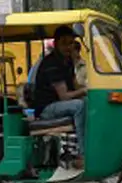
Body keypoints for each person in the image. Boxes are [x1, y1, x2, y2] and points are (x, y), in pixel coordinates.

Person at [32, 25, 87, 170]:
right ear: (56, 43)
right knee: (80, 106)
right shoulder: (52, 64)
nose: (68, 47)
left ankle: (86, 146)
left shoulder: (67, 61)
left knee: (90, 102)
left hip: (58, 104)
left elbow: (75, 86)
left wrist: (92, 90)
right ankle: (82, 155)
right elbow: (64, 96)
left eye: (70, 43)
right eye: (64, 43)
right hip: (46, 108)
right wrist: (85, 91)